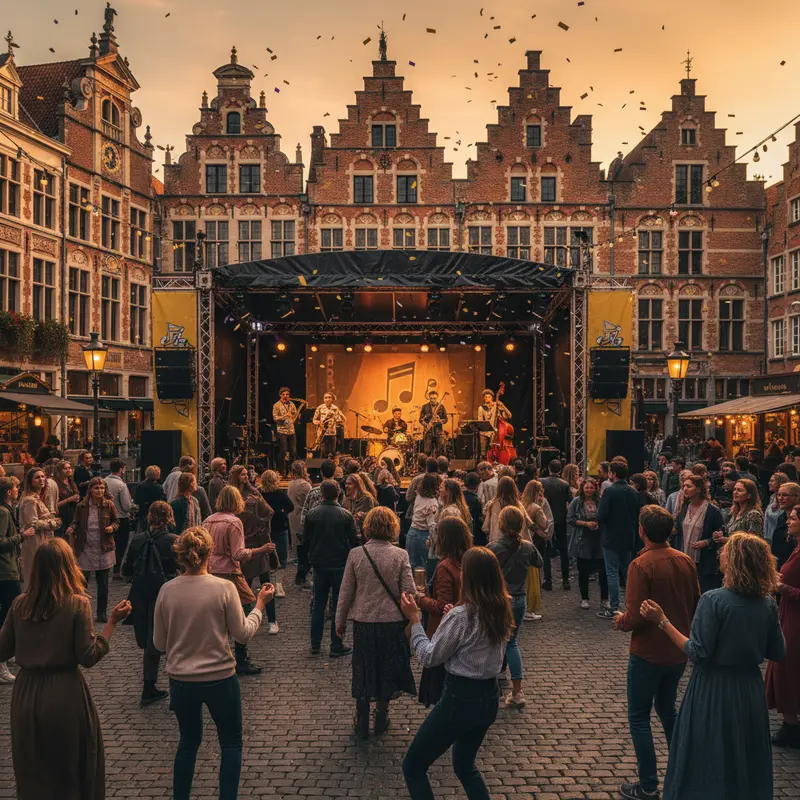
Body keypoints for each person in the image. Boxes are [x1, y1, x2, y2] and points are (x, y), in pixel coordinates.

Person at [641, 533, 785, 800]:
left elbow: (697, 653)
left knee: (707, 755)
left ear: (733, 561)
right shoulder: (767, 604)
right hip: (750, 690)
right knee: (745, 755)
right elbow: (777, 651)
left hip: (713, 689)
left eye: (725, 551)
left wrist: (662, 622)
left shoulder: (714, 600)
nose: (720, 553)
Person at [0, 537, 131, 800]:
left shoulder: (20, 605)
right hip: (64, 695)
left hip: (26, 696)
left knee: (33, 771)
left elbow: (2, 650)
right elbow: (88, 655)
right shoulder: (76, 604)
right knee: (69, 771)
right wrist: (112, 623)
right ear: (68, 566)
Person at [153, 526, 273, 800]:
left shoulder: (167, 591)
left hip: (181, 680)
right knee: (231, 743)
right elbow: (242, 633)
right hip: (220, 677)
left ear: (180, 557)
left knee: (188, 741)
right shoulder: (224, 588)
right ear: (210, 554)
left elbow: (159, 644)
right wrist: (259, 605)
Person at [401, 546, 513, 800]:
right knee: (465, 766)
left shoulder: (461, 617)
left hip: (459, 699)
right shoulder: (501, 609)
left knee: (413, 766)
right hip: (488, 698)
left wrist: (415, 621)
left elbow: (429, 657)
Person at [611, 505, 701, 800]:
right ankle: (684, 772)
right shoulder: (685, 560)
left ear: (642, 531)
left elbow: (636, 614)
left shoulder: (641, 565)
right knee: (667, 709)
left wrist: (621, 621)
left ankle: (648, 784)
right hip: (677, 650)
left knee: (639, 716)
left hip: (648, 652)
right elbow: (696, 602)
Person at [335, 506, 415, 737]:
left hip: (364, 621)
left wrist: (340, 622)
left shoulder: (356, 555)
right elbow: (408, 591)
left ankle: (361, 718)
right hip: (392, 622)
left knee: (363, 668)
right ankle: (381, 715)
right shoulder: (400, 556)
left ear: (367, 527)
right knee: (386, 669)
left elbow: (346, 593)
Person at [205, 485, 275, 675]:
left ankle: (219, 651)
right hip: (229, 572)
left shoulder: (208, 521)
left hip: (210, 571)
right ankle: (241, 656)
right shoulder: (234, 522)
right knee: (246, 605)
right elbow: (238, 554)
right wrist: (261, 549)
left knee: (215, 612)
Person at [121, 500, 179, 706]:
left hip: (141, 597)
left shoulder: (137, 540)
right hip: (166, 596)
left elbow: (125, 572)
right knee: (173, 642)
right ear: (169, 518)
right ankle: (176, 691)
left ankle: (149, 686)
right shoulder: (174, 540)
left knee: (149, 644)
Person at [489, 505, 543, 707]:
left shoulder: (493, 548)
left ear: (501, 525)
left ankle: (492, 679)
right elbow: (539, 563)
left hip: (498, 598)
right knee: (512, 642)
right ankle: (517, 691)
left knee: (495, 640)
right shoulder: (528, 547)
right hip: (519, 598)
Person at [416, 516, 472, 708]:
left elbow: (442, 605)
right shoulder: (468, 560)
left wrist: (420, 599)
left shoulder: (445, 567)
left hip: (443, 631)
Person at [305, 479, 359, 656]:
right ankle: (336, 644)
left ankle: (315, 643)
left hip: (319, 563)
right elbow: (353, 542)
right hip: (339, 564)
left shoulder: (312, 514)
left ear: (321, 494)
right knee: (337, 604)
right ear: (338, 494)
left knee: (319, 603)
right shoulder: (345, 515)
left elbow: (306, 540)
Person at [766, 503, 800, 748]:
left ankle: (792, 725)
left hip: (796, 619)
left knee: (788, 667)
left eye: (793, 518)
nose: (788, 521)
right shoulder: (796, 547)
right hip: (789, 613)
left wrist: (783, 588)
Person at [67, 476, 119, 622]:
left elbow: (116, 521)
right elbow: (76, 521)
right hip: (86, 546)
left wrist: (112, 527)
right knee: (83, 582)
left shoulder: (109, 505)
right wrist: (72, 527)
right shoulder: (82, 506)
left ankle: (101, 612)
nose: (100, 491)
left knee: (103, 583)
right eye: (96, 488)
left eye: (102, 488)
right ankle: (81, 610)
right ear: (90, 489)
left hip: (103, 546)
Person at [597, 459, 641, 618]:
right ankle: (632, 606)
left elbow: (600, 515)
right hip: (628, 537)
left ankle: (614, 607)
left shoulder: (610, 491)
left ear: (613, 474)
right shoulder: (633, 491)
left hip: (611, 538)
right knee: (628, 572)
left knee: (612, 573)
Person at [673, 475, 726, 594]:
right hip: (685, 558)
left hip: (704, 561)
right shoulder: (686, 508)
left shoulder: (712, 511)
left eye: (689, 486)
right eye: (684, 486)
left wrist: (706, 542)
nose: (685, 489)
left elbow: (721, 535)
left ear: (698, 489)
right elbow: (677, 529)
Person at [567, 477, 608, 610]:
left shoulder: (601, 501)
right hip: (583, 539)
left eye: (591, 487)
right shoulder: (576, 502)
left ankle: (604, 599)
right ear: (583, 488)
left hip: (599, 539)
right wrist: (585, 524)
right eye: (587, 487)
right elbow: (570, 519)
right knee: (583, 571)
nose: (589, 490)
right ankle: (584, 598)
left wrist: (599, 524)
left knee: (603, 571)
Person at [18, 467, 60, 588]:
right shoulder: (29, 500)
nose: (41, 479)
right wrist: (53, 523)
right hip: (35, 541)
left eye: (43, 477)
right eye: (37, 477)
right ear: (30, 481)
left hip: (42, 539)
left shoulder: (37, 498)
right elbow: (33, 523)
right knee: (36, 573)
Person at [0, 477, 21, 684]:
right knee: (7, 612)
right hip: (5, 570)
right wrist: (21, 535)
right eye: (15, 488)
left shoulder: (6, 510)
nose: (17, 490)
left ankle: (6, 650)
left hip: (8, 568)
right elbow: (1, 542)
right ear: (8, 492)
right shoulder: (3, 512)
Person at [260, 469, 293, 598]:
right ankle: (278, 585)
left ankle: (268, 583)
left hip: (264, 530)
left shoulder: (260, 494)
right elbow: (291, 507)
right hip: (280, 528)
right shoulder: (280, 495)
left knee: (265, 556)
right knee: (282, 557)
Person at [541, 459, 572, 591]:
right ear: (560, 470)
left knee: (547, 551)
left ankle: (548, 580)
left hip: (547, 520)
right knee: (564, 550)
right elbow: (570, 501)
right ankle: (566, 580)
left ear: (548, 468)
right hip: (561, 520)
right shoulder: (565, 484)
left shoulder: (541, 482)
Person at [482, 475, 533, 544]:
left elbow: (485, 528)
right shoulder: (518, 504)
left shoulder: (493, 505)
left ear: (499, 489)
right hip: (517, 542)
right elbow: (529, 523)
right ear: (514, 488)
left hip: (497, 543)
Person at [406, 473, 440, 571]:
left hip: (412, 532)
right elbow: (431, 525)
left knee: (411, 565)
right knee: (426, 566)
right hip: (424, 534)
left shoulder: (418, 496)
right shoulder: (432, 503)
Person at [104, 458, 132, 575]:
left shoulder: (103, 481)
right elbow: (126, 506)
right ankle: (116, 569)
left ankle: (105, 566)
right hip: (121, 518)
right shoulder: (121, 485)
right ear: (121, 469)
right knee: (120, 545)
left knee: (107, 542)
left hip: (105, 517)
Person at [773, 482, 800, 570]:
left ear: (797, 497)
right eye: (779, 495)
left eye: (785, 495)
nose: (780, 498)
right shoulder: (781, 517)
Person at [273, 387, 300, 476]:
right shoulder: (276, 405)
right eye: (283, 394)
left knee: (293, 452)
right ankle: (282, 471)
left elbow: (295, 416)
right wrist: (285, 416)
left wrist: (296, 417)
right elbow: (275, 418)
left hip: (291, 431)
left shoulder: (292, 404)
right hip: (282, 431)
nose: (285, 396)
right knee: (283, 452)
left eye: (287, 394)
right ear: (280, 395)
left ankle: (291, 471)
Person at [477, 389, 511, 458]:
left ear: (492, 397)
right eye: (485, 397)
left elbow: (509, 416)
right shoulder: (481, 408)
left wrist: (502, 405)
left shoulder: (496, 406)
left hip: (494, 432)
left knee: (493, 452)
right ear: (484, 398)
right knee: (483, 453)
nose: (487, 399)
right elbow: (480, 421)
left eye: (489, 397)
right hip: (484, 433)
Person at [134, 465, 166, 533]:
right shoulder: (159, 488)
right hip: (155, 514)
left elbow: (136, 501)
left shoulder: (139, 486)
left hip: (143, 513)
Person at [53, 460, 80, 540]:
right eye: (65, 468)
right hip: (61, 516)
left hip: (72, 515)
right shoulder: (55, 483)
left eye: (69, 468)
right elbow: (53, 505)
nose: (68, 470)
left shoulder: (71, 481)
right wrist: (69, 499)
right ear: (59, 470)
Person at [344, 472, 377, 536]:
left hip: (364, 535)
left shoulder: (366, 498)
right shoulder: (347, 499)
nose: (346, 486)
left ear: (357, 485)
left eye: (349, 484)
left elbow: (370, 518)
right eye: (346, 483)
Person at [313, 392, 345, 458]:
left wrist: (338, 420)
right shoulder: (320, 408)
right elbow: (314, 420)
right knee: (324, 452)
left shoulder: (335, 408)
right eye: (326, 398)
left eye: (329, 397)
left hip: (332, 433)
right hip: (322, 433)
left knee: (333, 452)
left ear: (332, 399)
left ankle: (332, 467)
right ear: (324, 399)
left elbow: (340, 419)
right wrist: (319, 423)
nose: (327, 399)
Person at [764, 471, 789, 545]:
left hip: (779, 541)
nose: (769, 483)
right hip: (768, 538)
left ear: (779, 482)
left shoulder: (785, 501)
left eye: (772, 481)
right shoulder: (772, 498)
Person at [420, 390, 447, 457]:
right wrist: (426, 425)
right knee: (427, 452)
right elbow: (420, 419)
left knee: (439, 451)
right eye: (431, 398)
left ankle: (439, 466)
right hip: (428, 433)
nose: (433, 400)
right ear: (429, 398)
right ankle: (428, 466)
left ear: (437, 398)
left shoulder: (441, 407)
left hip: (438, 432)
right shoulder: (425, 407)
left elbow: (446, 419)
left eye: (434, 398)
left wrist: (440, 420)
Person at [463, 472, 485, 546]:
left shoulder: (460, 496)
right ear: (477, 485)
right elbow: (477, 518)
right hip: (473, 532)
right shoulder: (476, 500)